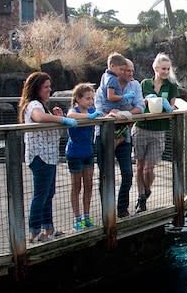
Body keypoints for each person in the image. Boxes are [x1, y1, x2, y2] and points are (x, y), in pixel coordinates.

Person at [17, 72, 78, 243]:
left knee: (48, 194)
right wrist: (62, 120)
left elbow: (47, 120)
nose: (49, 90)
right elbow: (38, 117)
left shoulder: (43, 105)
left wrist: (58, 117)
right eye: (46, 87)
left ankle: (48, 229)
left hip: (49, 157)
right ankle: (35, 231)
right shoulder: (34, 104)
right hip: (40, 157)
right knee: (41, 194)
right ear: (36, 88)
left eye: (50, 86)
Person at [95, 58, 144, 218]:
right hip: (104, 134)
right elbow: (100, 109)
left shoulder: (134, 85)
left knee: (127, 174)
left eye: (131, 71)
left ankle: (122, 209)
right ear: (119, 70)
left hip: (125, 133)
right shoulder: (107, 83)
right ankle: (106, 211)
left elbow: (140, 107)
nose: (130, 73)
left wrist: (123, 114)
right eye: (126, 70)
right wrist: (116, 114)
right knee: (105, 174)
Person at [132, 53, 178, 213]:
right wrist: (146, 100)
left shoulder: (171, 85)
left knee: (149, 168)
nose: (165, 71)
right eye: (163, 68)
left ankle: (147, 190)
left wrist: (166, 106)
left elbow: (172, 107)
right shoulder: (144, 84)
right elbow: (137, 102)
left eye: (167, 69)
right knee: (139, 166)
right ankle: (141, 198)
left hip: (159, 130)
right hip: (141, 128)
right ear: (156, 68)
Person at [65, 83, 104, 231]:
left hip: (88, 152)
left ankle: (87, 215)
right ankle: (77, 218)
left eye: (92, 98)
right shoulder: (73, 110)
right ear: (78, 99)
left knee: (89, 184)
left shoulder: (92, 109)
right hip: (75, 153)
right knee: (77, 186)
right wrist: (89, 116)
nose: (90, 102)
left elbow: (100, 113)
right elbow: (70, 116)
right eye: (87, 99)